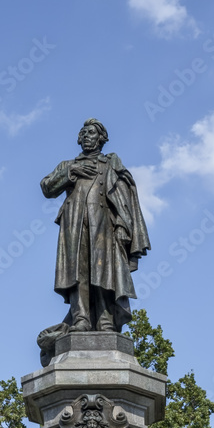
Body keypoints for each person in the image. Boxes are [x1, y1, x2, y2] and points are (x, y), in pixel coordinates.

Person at [40, 119, 150, 332]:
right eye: (84, 133)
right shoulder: (68, 165)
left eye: (91, 133)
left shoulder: (110, 165)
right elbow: (46, 187)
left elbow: (124, 197)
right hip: (74, 224)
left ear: (101, 139)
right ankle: (81, 319)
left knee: (103, 272)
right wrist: (72, 171)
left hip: (103, 226)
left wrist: (122, 226)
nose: (87, 136)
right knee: (77, 273)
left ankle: (105, 321)